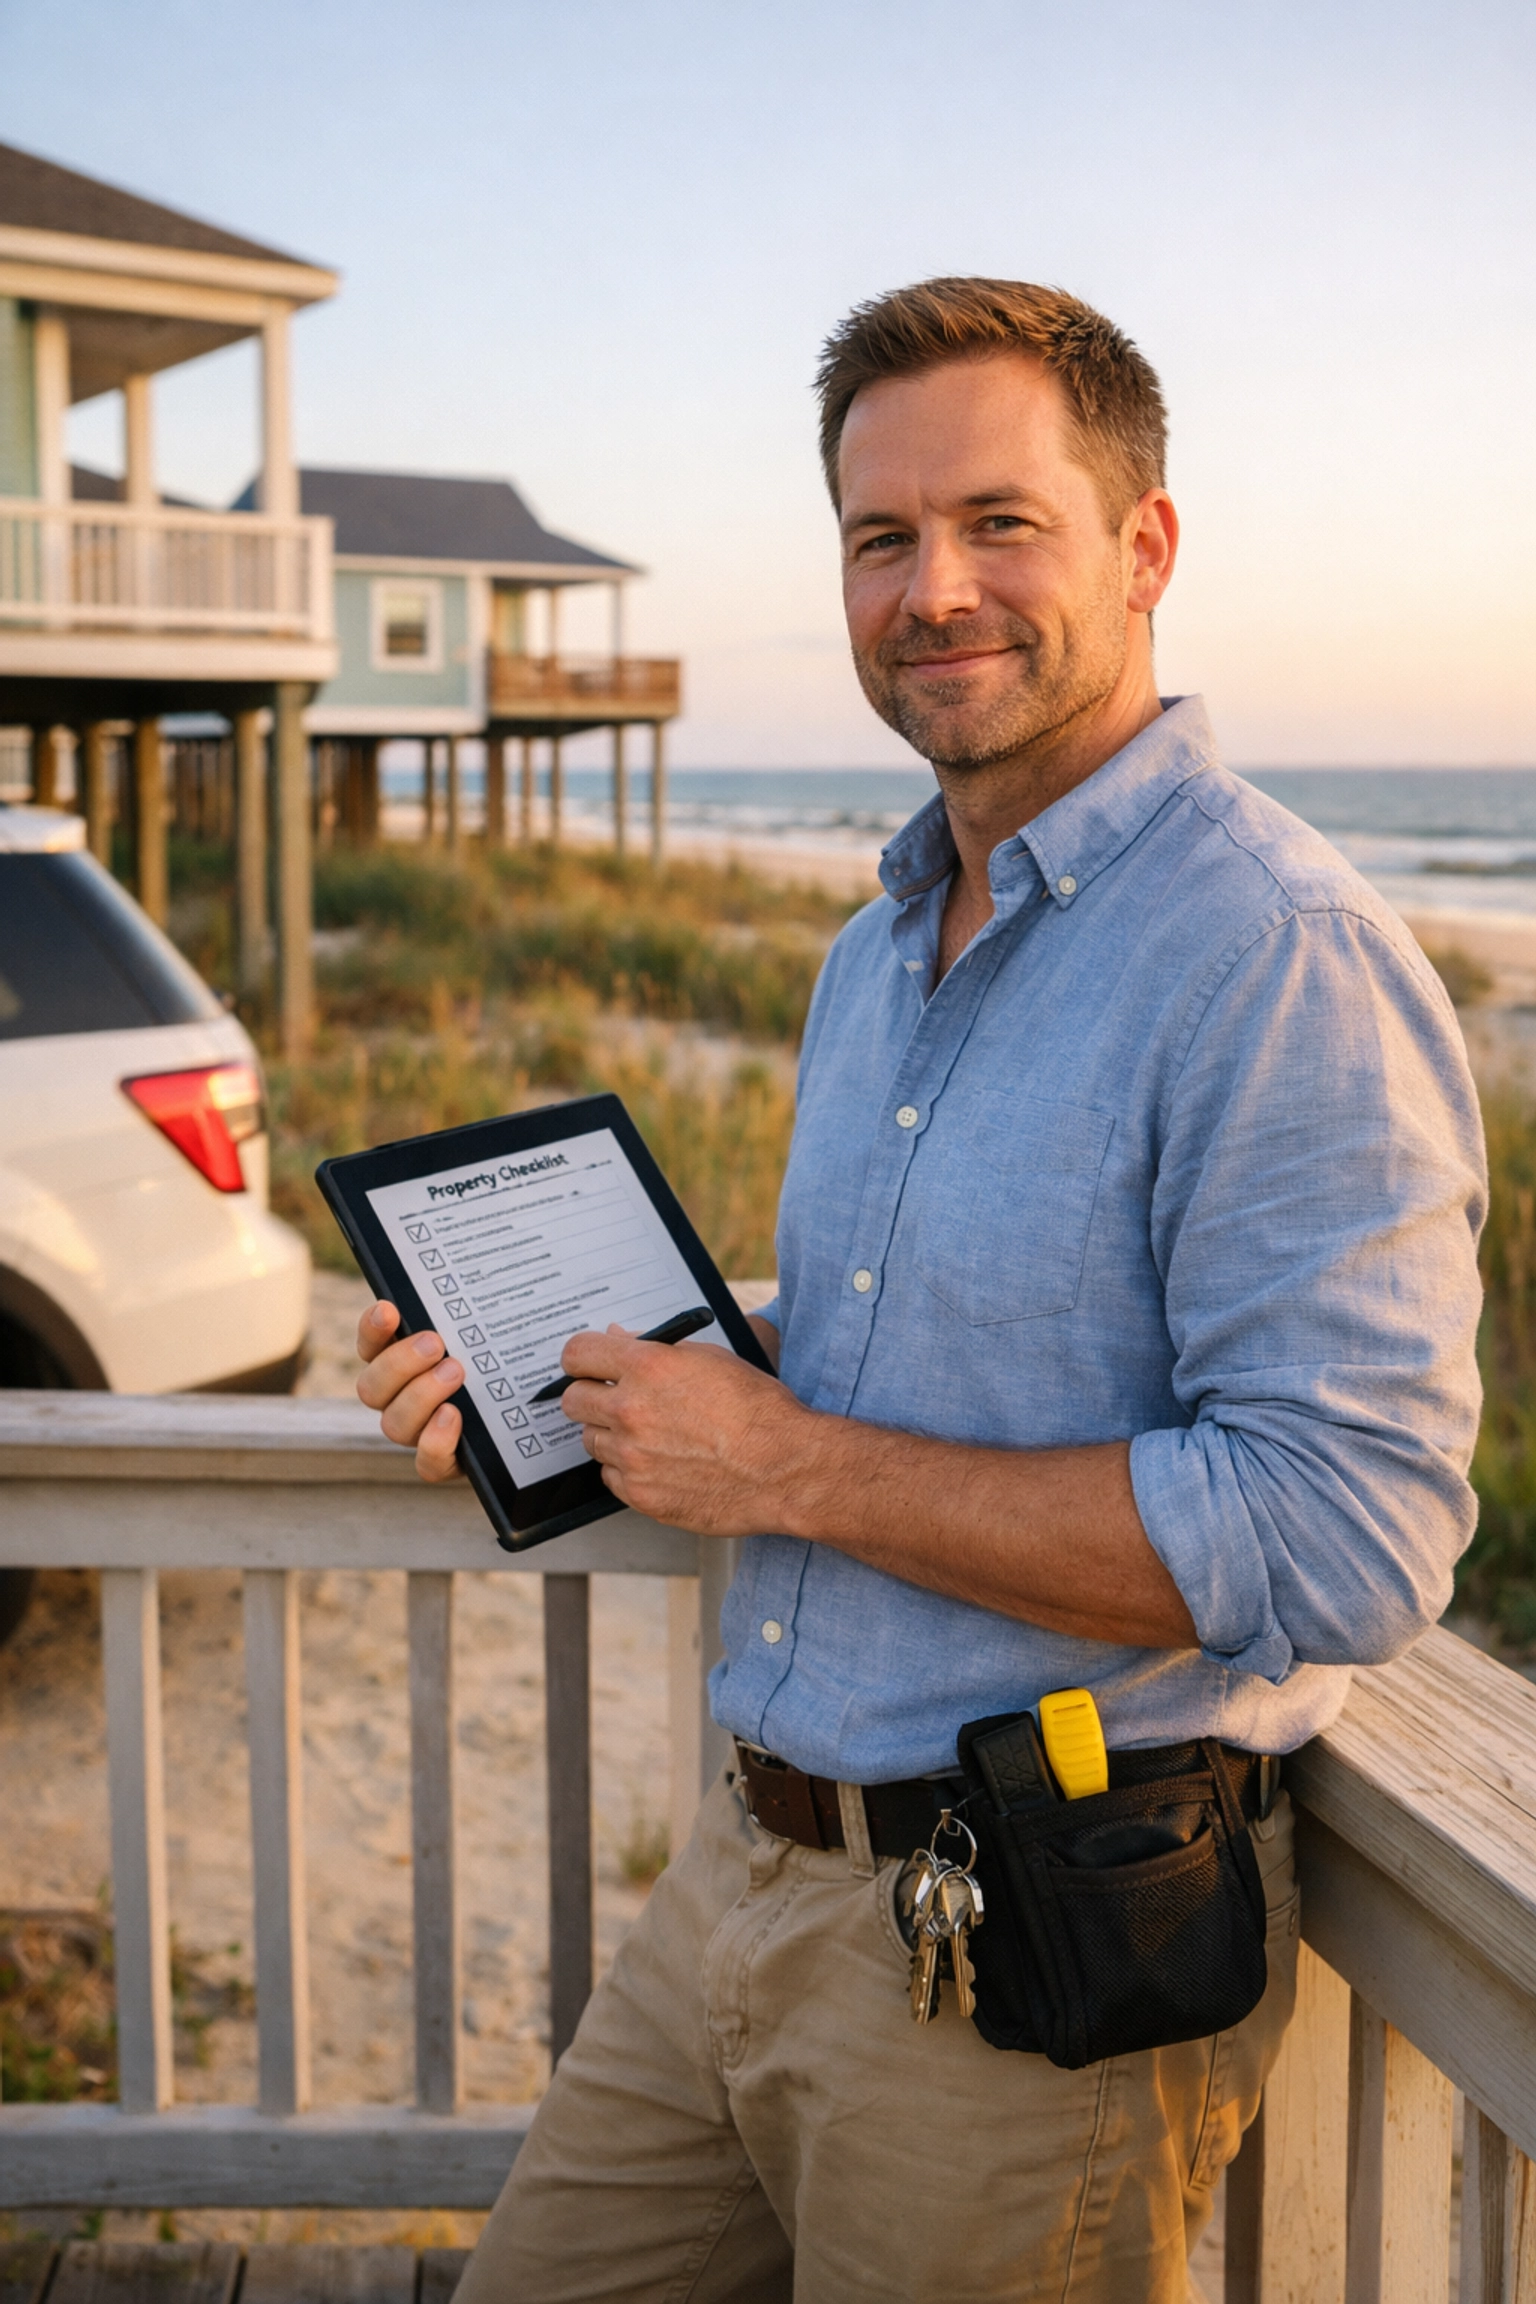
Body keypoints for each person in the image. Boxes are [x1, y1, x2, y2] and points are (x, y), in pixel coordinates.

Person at [356, 278, 1486, 2302]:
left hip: (1028, 1966)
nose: (933, 588)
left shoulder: (1277, 951)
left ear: (1145, 547)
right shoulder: (878, 941)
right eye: (882, 539)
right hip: (742, 1882)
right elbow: (897, 1356)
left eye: (999, 524)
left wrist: (786, 1464)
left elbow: (1347, 1528)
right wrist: (562, 1375)